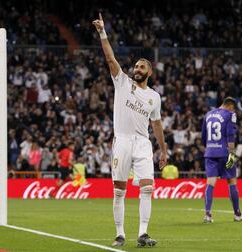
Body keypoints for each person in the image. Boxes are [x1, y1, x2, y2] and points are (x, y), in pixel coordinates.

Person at [92, 13, 167, 247]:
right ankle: (120, 234)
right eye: (135, 65)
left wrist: (163, 150)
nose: (137, 68)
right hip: (122, 141)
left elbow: (156, 124)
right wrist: (103, 33)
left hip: (143, 143)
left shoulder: (154, 97)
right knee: (119, 191)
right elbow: (110, 58)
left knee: (147, 188)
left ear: (150, 72)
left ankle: (143, 234)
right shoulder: (122, 82)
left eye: (141, 66)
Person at [201, 97, 242, 223]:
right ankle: (237, 214)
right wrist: (232, 156)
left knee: (210, 183)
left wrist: (210, 148)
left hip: (210, 153)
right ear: (230, 106)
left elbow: (203, 137)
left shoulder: (208, 114)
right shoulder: (230, 114)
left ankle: (207, 215)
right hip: (225, 153)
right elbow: (230, 136)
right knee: (232, 182)